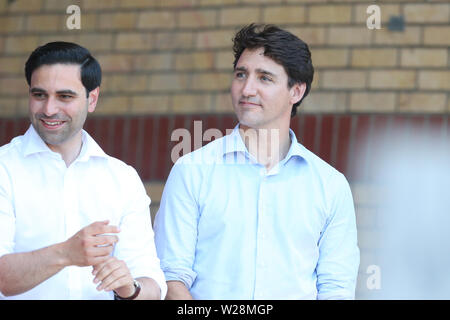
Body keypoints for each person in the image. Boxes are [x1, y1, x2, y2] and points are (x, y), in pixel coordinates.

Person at [154, 24, 359, 300]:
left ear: (296, 91)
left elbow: (336, 288)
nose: (247, 89)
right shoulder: (191, 171)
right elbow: (170, 276)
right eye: (241, 74)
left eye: (264, 78)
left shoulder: (330, 185)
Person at [0, 42, 167, 300]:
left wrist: (129, 288)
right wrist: (67, 253)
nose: (49, 109)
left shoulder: (122, 178)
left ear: (92, 99)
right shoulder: (4, 168)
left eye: (64, 96)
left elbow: (151, 285)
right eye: (39, 95)